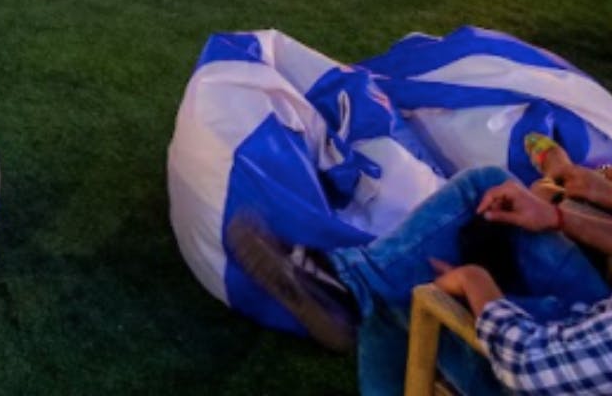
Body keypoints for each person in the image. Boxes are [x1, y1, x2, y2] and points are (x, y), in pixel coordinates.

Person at [227, 165, 612, 396]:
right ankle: (347, 285)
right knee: (487, 186)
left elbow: (531, 367)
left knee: (406, 286)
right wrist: (560, 216)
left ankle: (349, 287)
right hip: (589, 321)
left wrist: (477, 284)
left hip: (539, 370)